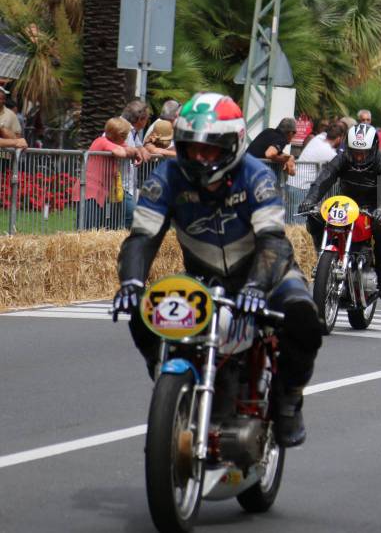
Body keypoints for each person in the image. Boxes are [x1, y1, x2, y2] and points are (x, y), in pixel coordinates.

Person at [111, 93, 322, 447]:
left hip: (266, 273)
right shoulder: (166, 178)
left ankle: (289, 400)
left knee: (303, 317)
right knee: (142, 309)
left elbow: (273, 240)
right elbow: (142, 238)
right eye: (192, 148)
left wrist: (256, 286)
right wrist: (131, 282)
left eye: (211, 149)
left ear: (234, 144)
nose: (200, 158)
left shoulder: (257, 177)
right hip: (202, 278)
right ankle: (167, 378)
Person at [298, 124, 381, 300]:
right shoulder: (342, 158)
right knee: (314, 217)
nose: (359, 157)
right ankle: (323, 256)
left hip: (373, 207)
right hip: (345, 205)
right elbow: (325, 178)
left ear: (373, 148)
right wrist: (310, 200)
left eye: (364, 153)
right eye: (355, 152)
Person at [83, 117, 144, 229]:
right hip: (90, 192)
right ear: (120, 136)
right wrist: (132, 152)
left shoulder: (114, 142)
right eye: (125, 137)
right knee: (88, 228)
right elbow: (119, 152)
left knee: (97, 228)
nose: (126, 140)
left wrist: (135, 151)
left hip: (103, 191)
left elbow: (130, 149)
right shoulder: (103, 141)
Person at [286, 124, 344, 217]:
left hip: (291, 182)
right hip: (302, 187)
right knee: (300, 219)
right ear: (338, 138)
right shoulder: (329, 153)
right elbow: (339, 166)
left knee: (289, 218)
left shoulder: (318, 138)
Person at [121, 99, 153, 228]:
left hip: (125, 186)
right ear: (140, 119)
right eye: (146, 120)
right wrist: (137, 152)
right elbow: (130, 150)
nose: (146, 123)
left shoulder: (131, 131)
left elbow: (139, 146)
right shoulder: (124, 130)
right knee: (134, 219)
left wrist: (142, 150)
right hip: (119, 185)